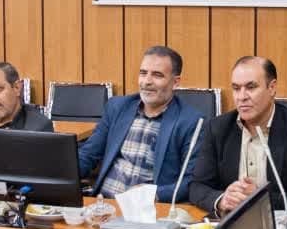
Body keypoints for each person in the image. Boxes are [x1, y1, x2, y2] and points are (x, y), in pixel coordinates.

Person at [188, 56, 287, 214]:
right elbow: (197, 186)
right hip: (229, 222)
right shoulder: (218, 128)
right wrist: (222, 200)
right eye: (236, 88)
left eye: (251, 87)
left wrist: (260, 198)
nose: (242, 96)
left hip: (276, 224)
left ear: (271, 88)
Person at [78, 46, 204, 202]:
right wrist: (60, 175)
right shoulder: (117, 108)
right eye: (143, 73)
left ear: (175, 82)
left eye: (157, 75)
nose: (147, 81)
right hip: (104, 204)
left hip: (148, 209)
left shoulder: (191, 122)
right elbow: (88, 155)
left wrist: (153, 194)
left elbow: (191, 181)